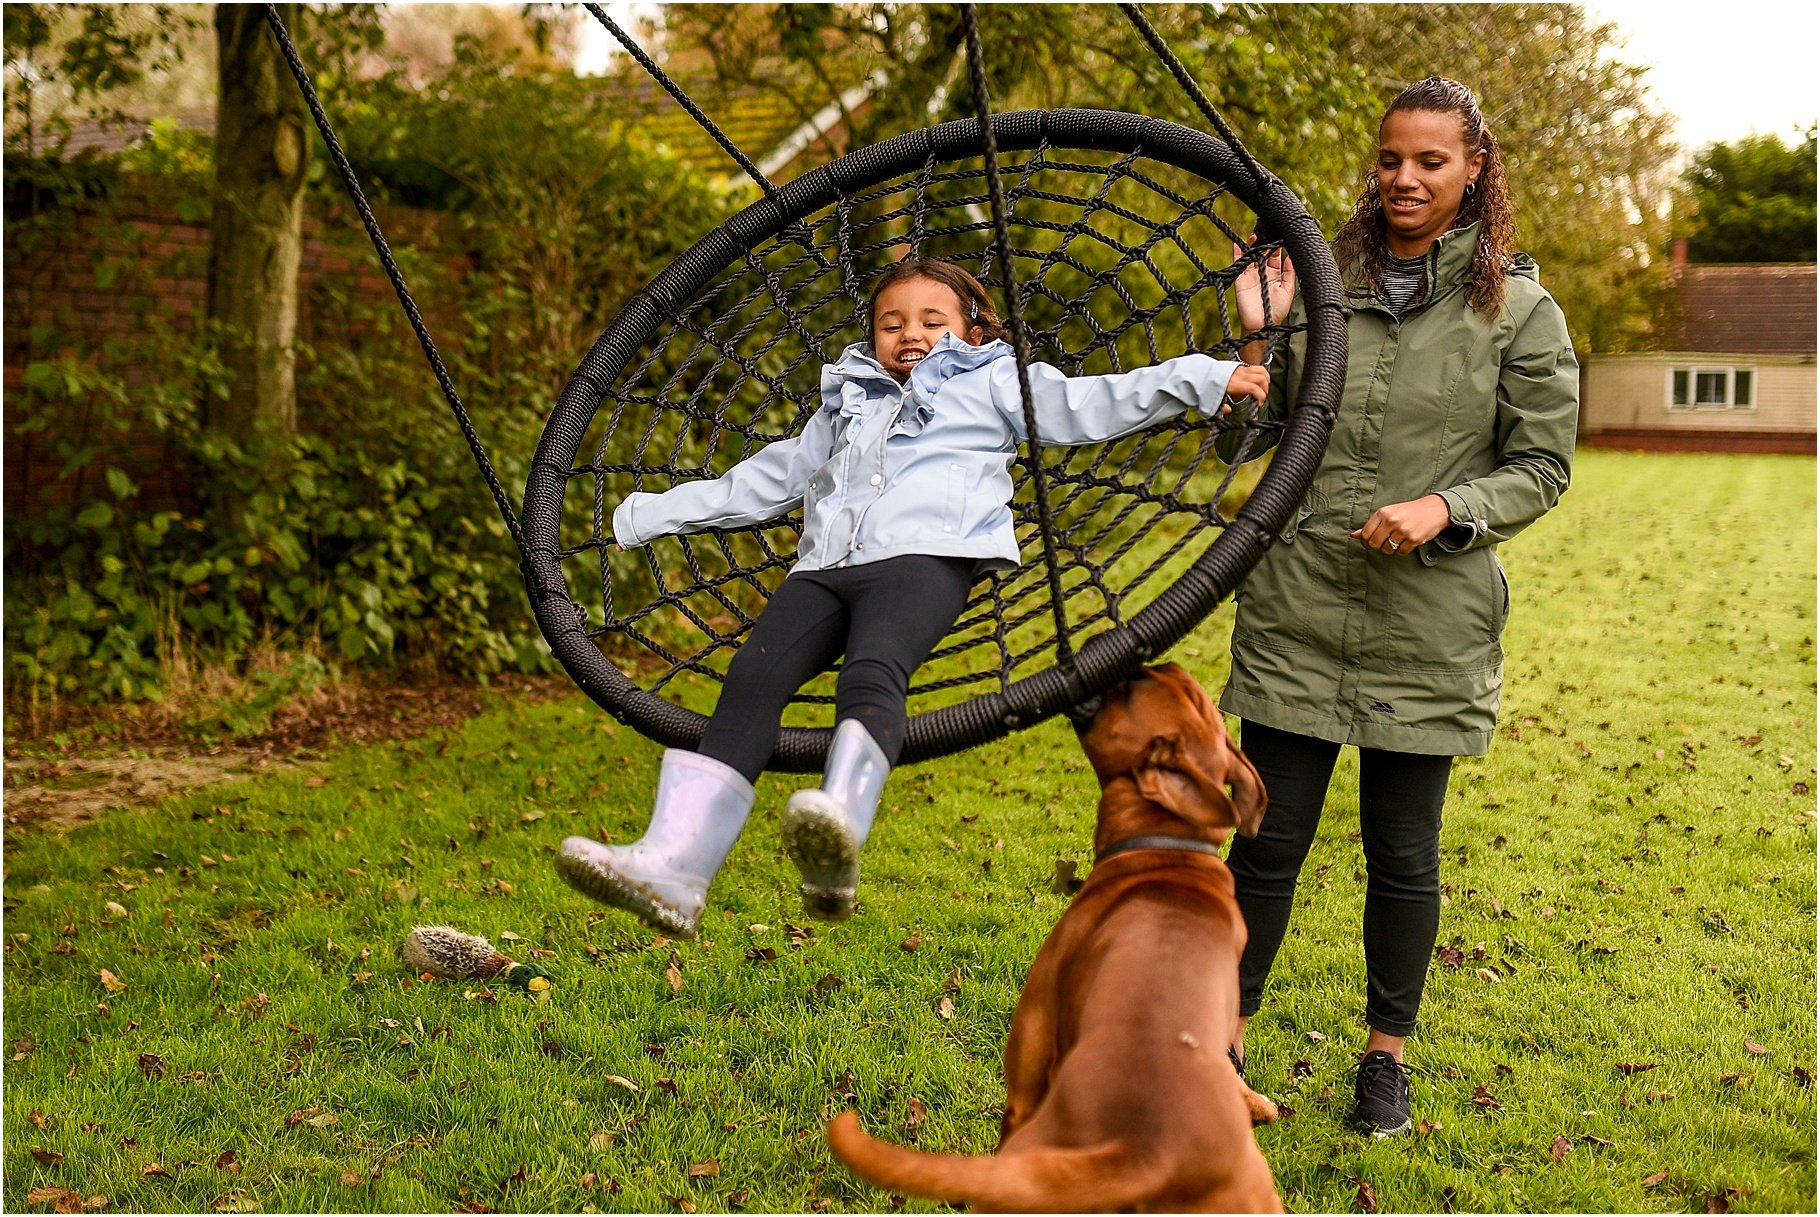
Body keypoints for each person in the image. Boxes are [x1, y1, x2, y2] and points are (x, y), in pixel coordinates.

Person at [556, 256, 1270, 938]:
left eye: (933, 319)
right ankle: (676, 867)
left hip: (929, 555)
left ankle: (839, 824)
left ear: (974, 330)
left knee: (873, 669)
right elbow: (772, 477)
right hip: (825, 565)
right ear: (872, 335)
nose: (912, 334)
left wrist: (1207, 378)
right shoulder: (847, 399)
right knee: (750, 679)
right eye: (892, 322)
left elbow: (1093, 403)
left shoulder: (994, 380)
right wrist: (651, 514)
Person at [1219, 76, 1579, 1136]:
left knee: (1402, 851)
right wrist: (1253, 339)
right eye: (1389, 159)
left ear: (1474, 170)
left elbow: (1542, 465)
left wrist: (1443, 505)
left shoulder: (1516, 309)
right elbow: (1246, 438)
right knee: (1263, 844)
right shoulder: (1320, 289)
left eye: (1430, 161)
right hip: (1298, 606)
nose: (1405, 179)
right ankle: (1220, 1044)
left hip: (1428, 620)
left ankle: (1384, 1056)